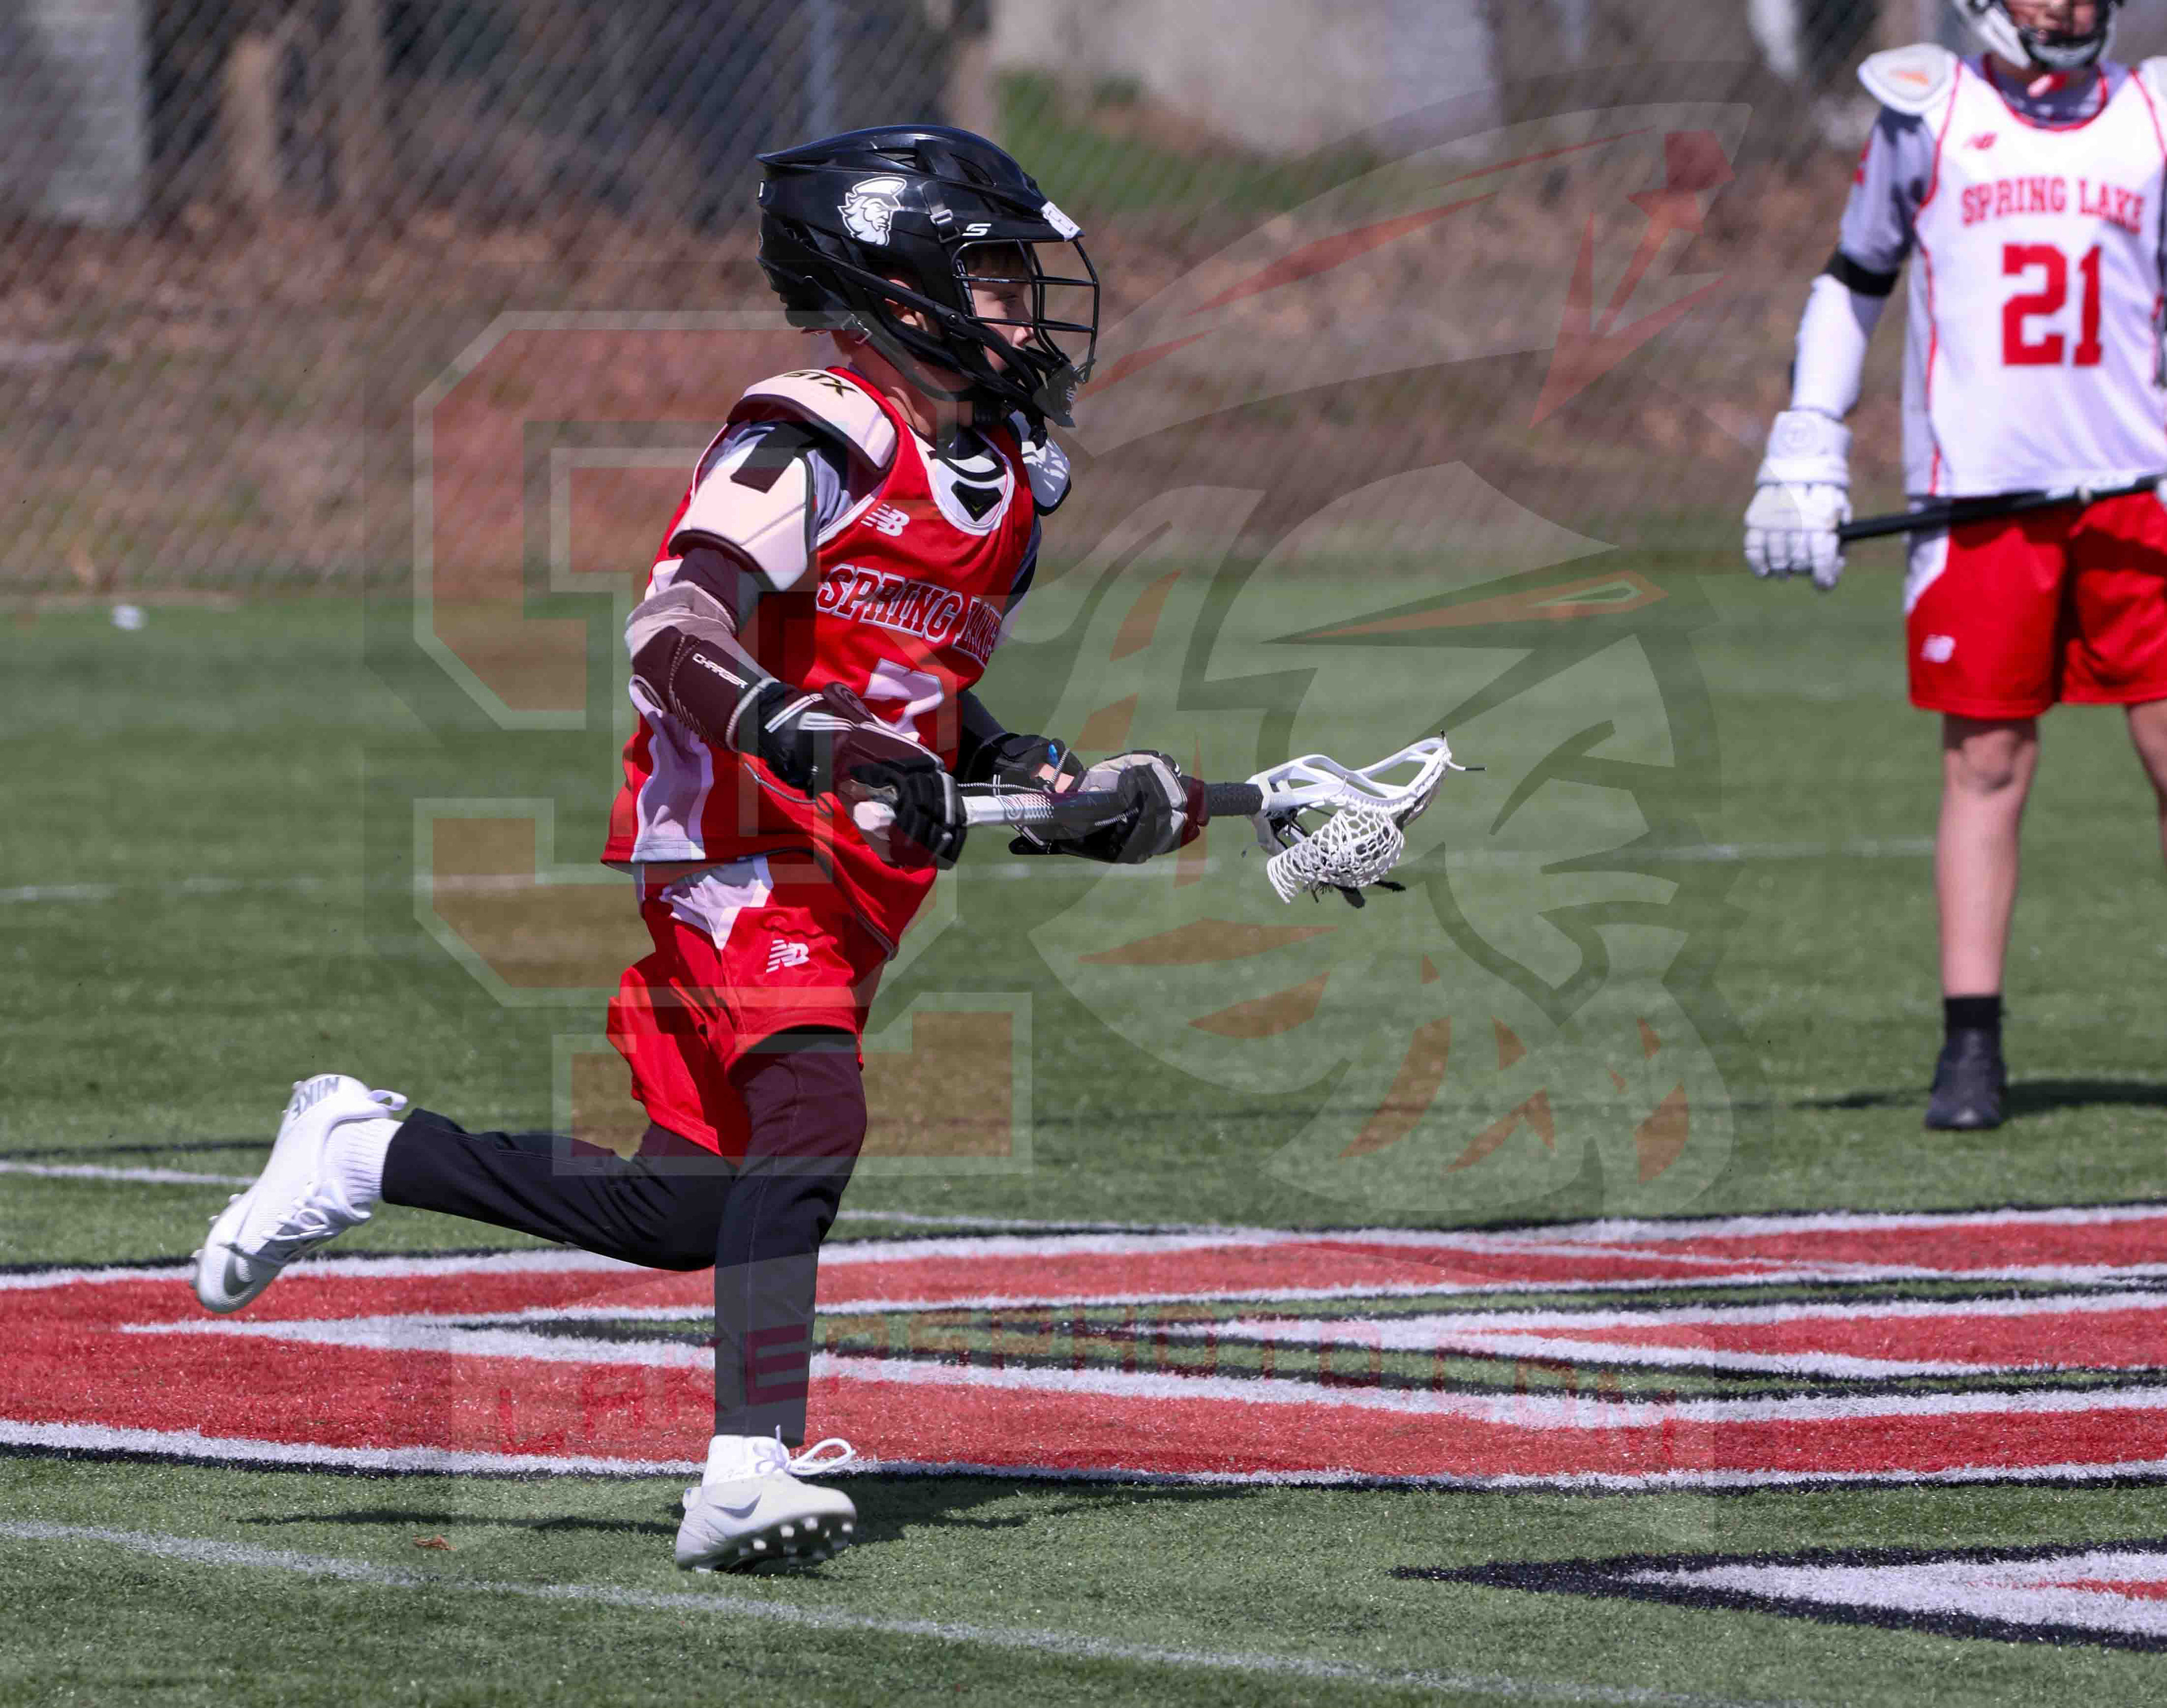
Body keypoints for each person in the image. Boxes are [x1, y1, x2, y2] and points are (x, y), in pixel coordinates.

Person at [192, 127, 1206, 1571]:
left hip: (849, 872)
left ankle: (367, 1147)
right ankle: (744, 1467)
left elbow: (909, 679)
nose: (1021, 307)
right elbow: (673, 630)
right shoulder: (814, 434)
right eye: (991, 273)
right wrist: (810, 740)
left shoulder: (1000, 479)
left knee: (687, 1207)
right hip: (736, 840)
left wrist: (1026, 771)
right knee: (816, 1112)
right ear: (896, 277)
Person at [1744, 0, 2167, 1130]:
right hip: (1982, 497)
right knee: (1987, 760)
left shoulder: (2153, 116)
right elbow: (1856, 277)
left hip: (2140, 493)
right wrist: (1808, 439)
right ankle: (1971, 1043)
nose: (2065, 5)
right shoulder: (1929, 114)